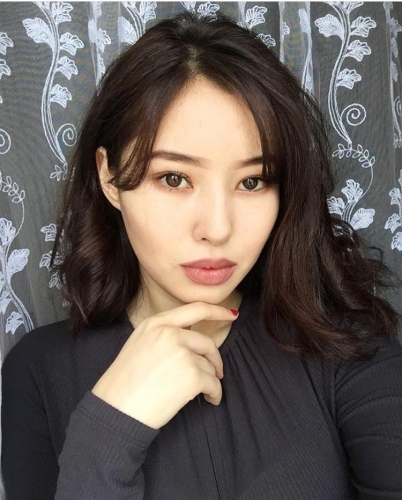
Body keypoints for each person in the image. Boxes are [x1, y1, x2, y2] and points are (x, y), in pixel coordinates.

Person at [2, 10, 402, 500]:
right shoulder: (37, 372)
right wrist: (108, 427)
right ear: (109, 177)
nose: (217, 228)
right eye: (174, 178)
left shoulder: (346, 351)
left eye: (252, 182)